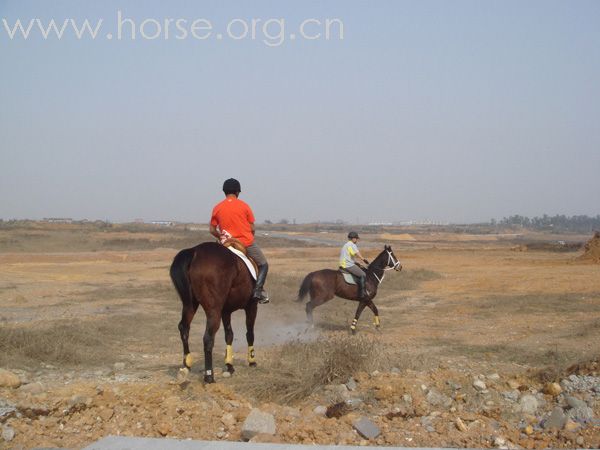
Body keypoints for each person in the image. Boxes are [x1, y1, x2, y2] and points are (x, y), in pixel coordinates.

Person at [209, 178, 269, 304]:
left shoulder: (217, 207)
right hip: (245, 243)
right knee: (263, 264)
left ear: (224, 192)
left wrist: (221, 237)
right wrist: (249, 235)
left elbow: (212, 229)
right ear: (237, 192)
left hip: (225, 244)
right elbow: (252, 228)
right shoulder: (245, 206)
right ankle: (258, 291)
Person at [339, 231, 370, 299]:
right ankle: (362, 293)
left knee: (360, 268)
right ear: (353, 238)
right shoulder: (352, 245)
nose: (357, 240)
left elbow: (349, 256)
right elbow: (356, 253)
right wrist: (363, 259)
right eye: (356, 238)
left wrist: (356, 263)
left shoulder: (346, 245)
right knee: (363, 274)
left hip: (344, 263)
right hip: (347, 265)